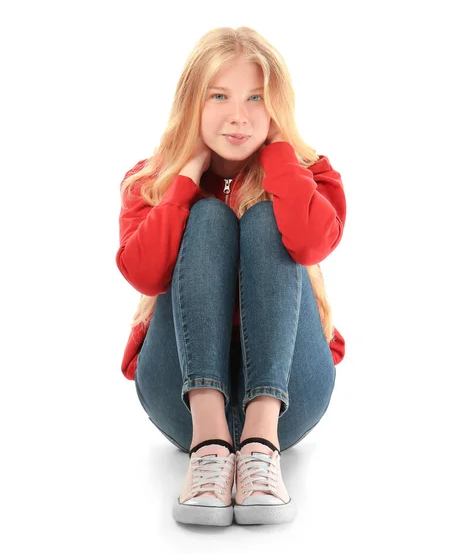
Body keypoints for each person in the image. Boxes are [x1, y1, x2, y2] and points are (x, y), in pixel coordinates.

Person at [116, 26, 347, 527]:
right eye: (218, 96)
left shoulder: (312, 174)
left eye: (256, 99)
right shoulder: (151, 181)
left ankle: (260, 445)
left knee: (267, 218)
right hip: (179, 396)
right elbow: (143, 273)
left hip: (291, 395)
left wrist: (278, 157)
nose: (238, 116)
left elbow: (310, 242)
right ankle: (210, 445)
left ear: (276, 107)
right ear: (191, 101)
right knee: (208, 219)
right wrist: (184, 181)